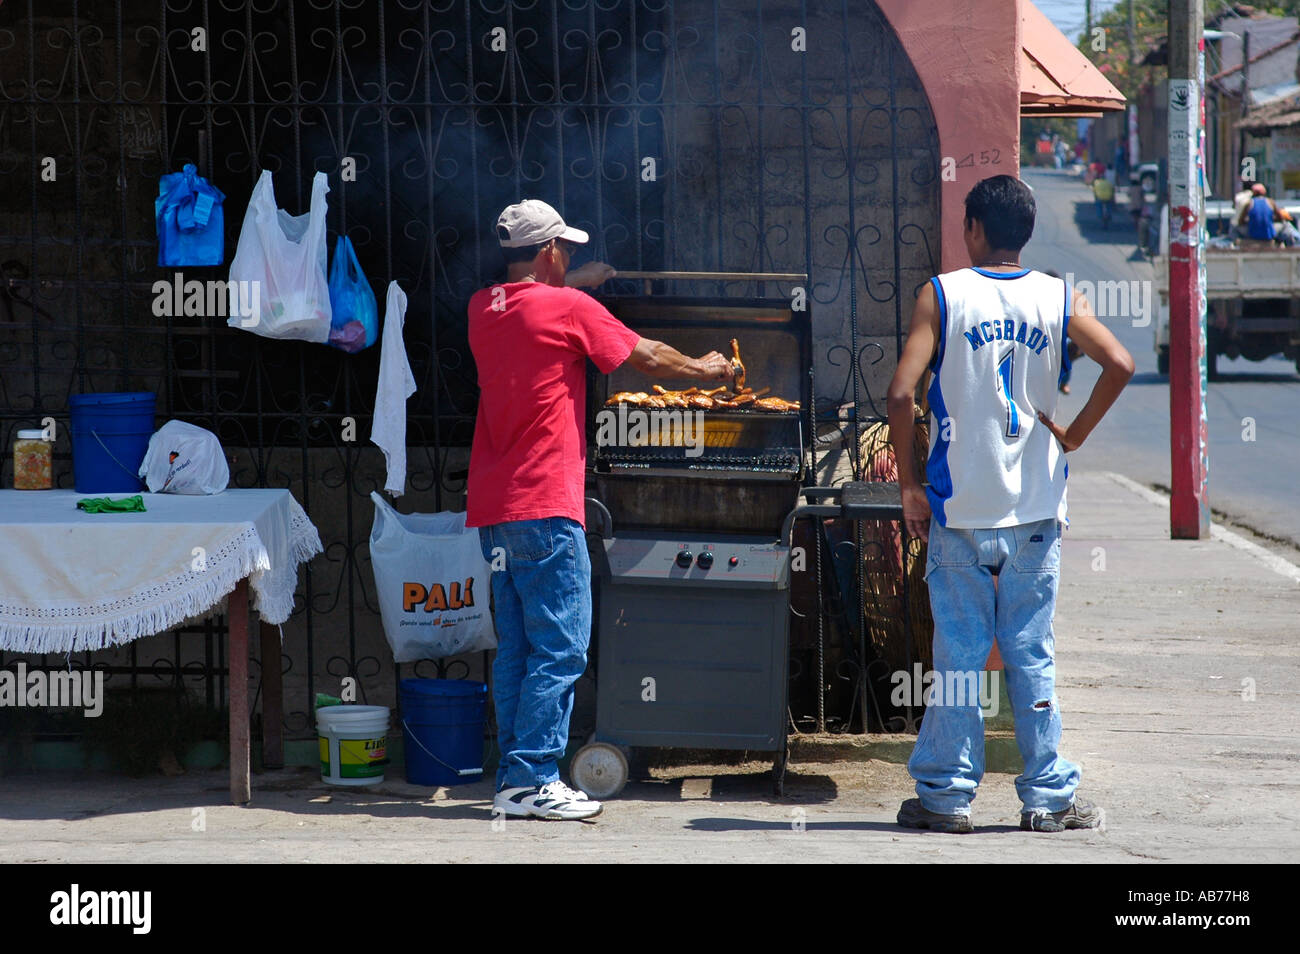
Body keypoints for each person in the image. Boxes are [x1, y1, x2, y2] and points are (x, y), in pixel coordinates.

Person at [466, 199, 733, 821]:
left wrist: (577, 283)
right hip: (546, 505)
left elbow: (532, 302)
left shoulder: (483, 309)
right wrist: (705, 368)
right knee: (560, 650)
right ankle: (535, 779)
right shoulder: (570, 308)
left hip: (496, 510)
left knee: (518, 651)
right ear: (547, 252)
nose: (572, 258)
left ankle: (513, 778)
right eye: (567, 250)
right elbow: (645, 356)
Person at [886, 175, 1134, 833]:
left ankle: (945, 799)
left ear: (973, 229)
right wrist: (1074, 436)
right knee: (1032, 653)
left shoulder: (941, 295)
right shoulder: (1060, 297)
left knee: (959, 660)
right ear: (1024, 233)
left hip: (960, 512)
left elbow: (901, 393)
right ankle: (1048, 799)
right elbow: (1120, 363)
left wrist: (910, 485)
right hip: (1035, 515)